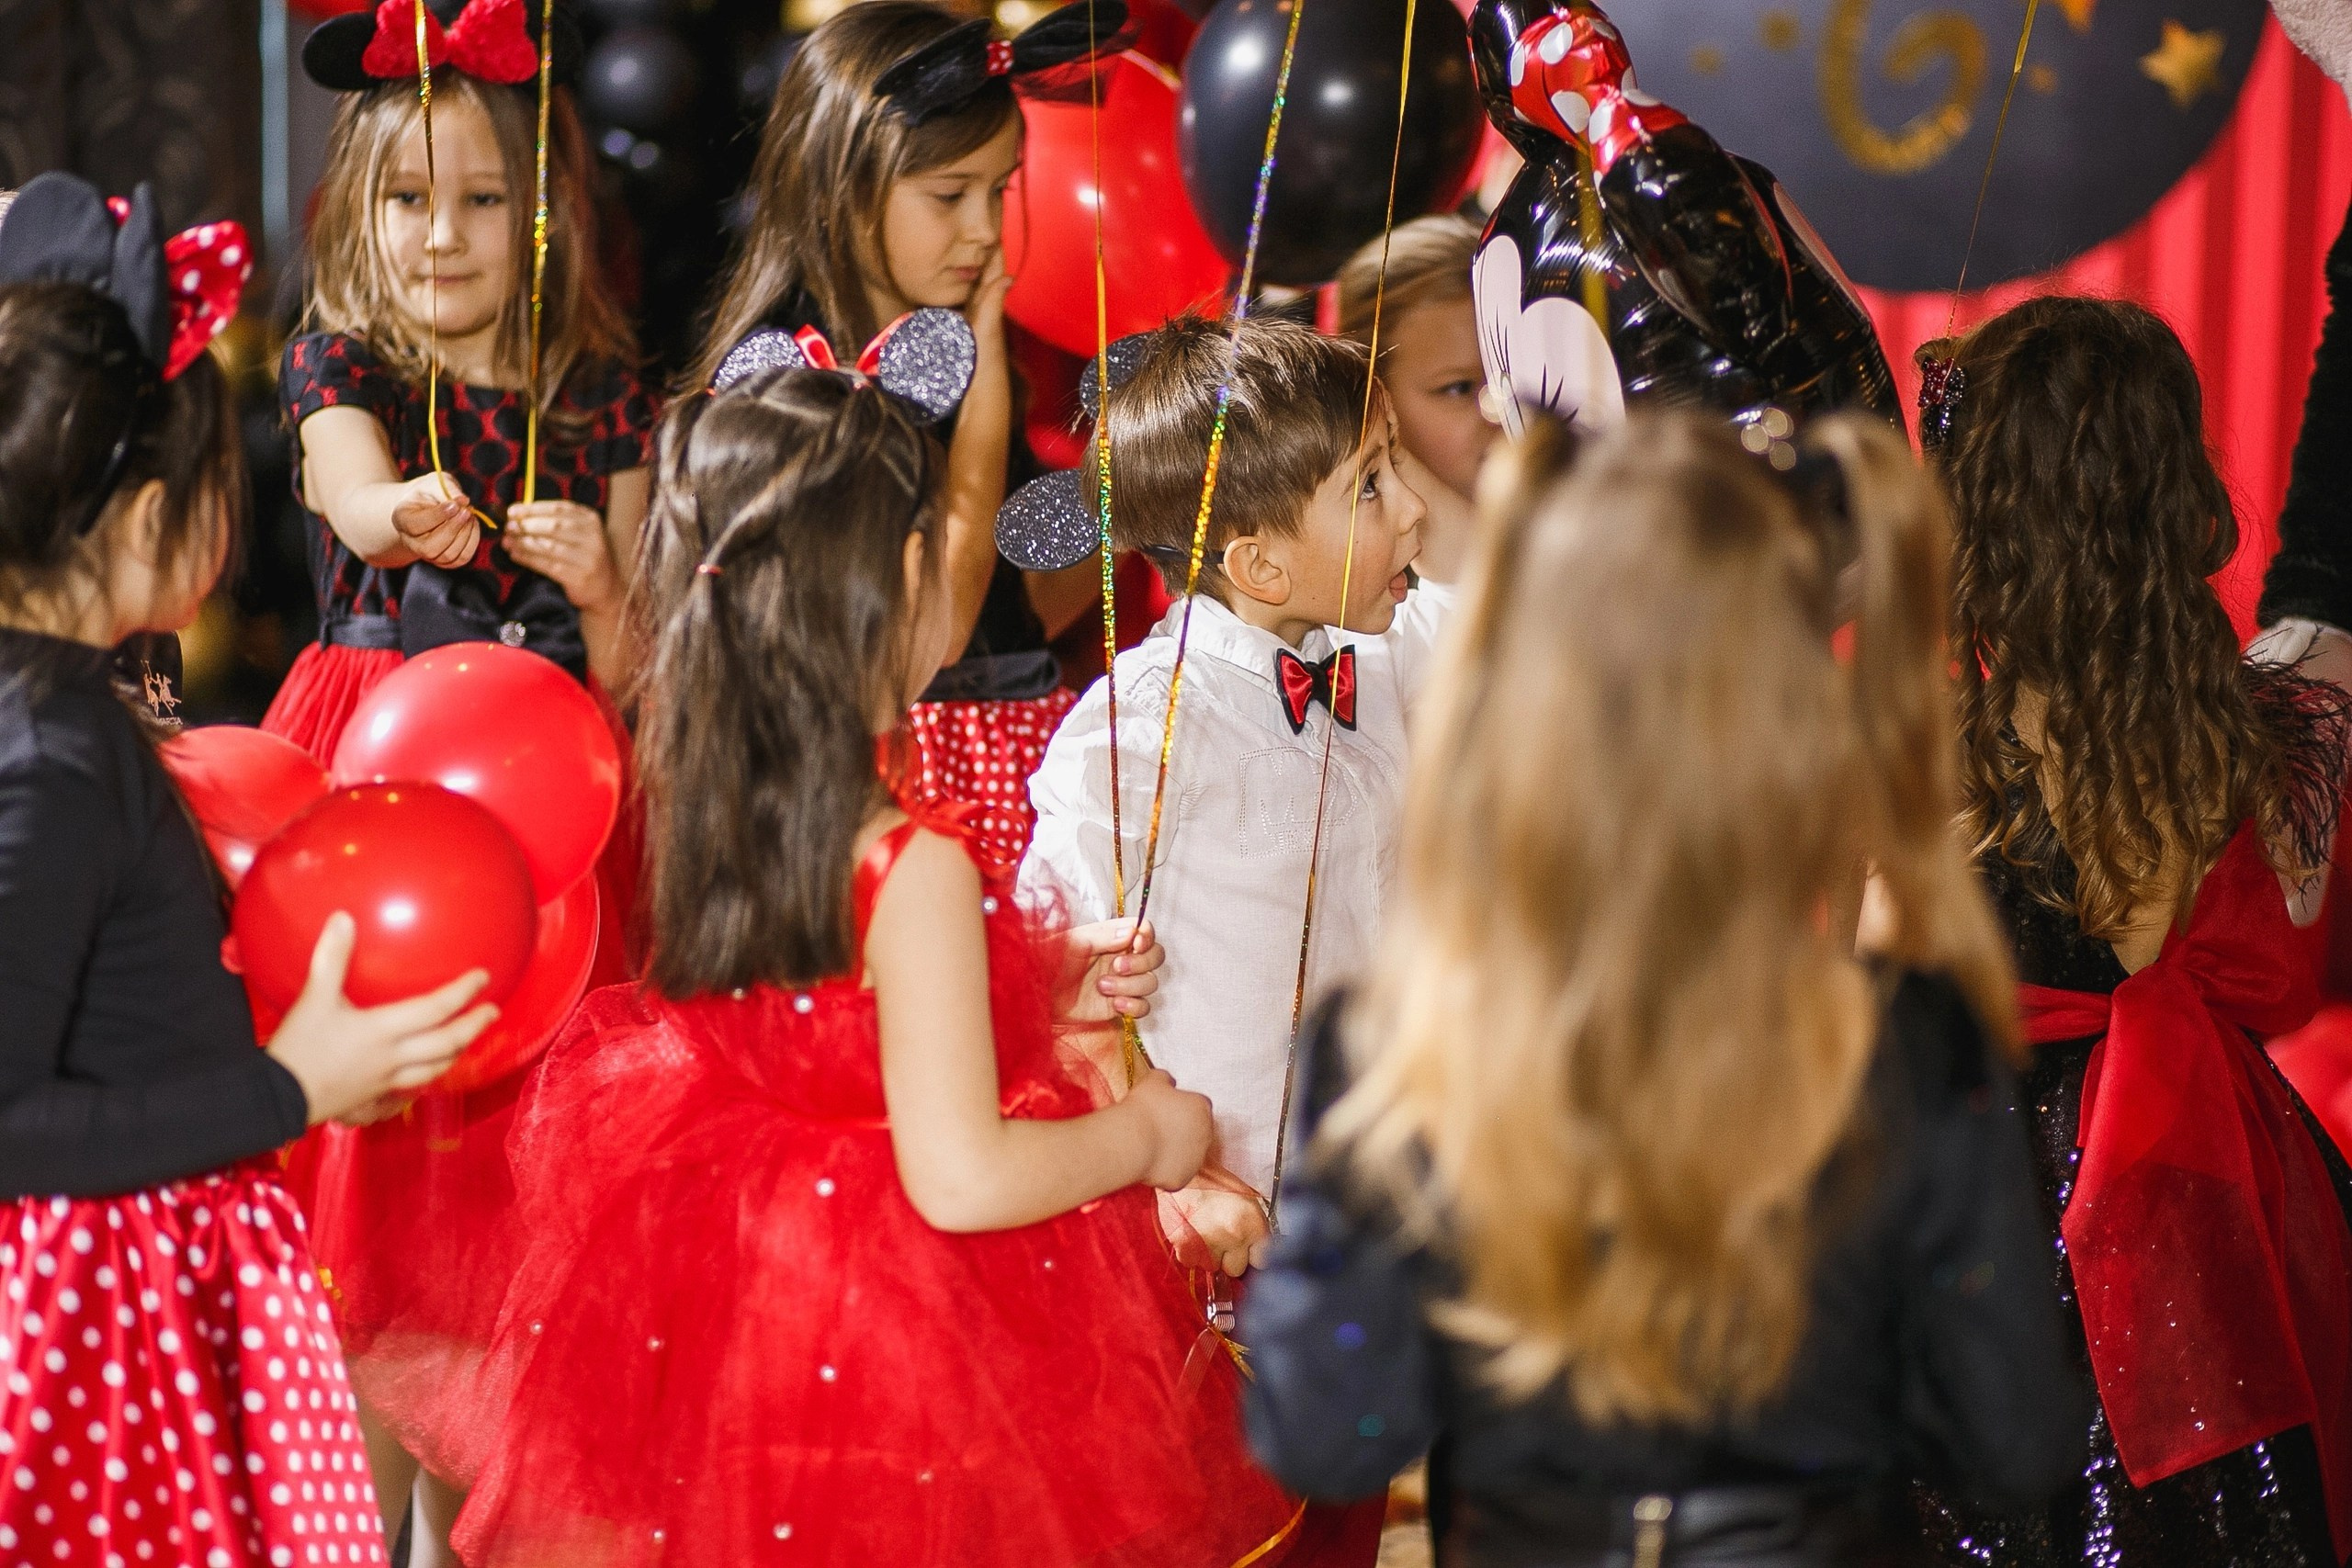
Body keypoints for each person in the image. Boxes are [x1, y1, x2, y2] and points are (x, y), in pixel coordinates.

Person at [438, 364, 1309, 1567]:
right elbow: (963, 1176)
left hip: (751, 1292)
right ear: (898, 579)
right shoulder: (914, 860)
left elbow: (823, 1018)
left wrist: (1029, 973)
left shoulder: (716, 806)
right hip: (902, 1328)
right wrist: (1152, 1135)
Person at [1239, 409, 2090, 1567]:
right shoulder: (1909, 1046)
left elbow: (1330, 1435)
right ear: (1792, 720)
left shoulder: (1394, 1047)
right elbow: (2014, 1444)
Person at [0, 173, 497, 1567]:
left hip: (161, 1276)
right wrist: (298, 1085)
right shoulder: (54, 752)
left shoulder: (72, 715)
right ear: (151, 510)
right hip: (110, 1324)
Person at [260, 6, 656, 1556]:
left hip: (556, 807)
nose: (444, 232)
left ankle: (475, 1514)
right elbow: (350, 494)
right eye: (408, 197)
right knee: (366, 1185)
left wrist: (611, 588)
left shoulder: (601, 394)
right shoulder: (335, 361)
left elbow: (634, 673)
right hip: (369, 779)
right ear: (359, 210)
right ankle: (351, 1510)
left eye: (484, 198)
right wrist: (402, 504)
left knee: (515, 1204)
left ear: (541, 212)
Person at [1912, 295, 2352, 1568]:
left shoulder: (1918, 752)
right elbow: (2329, 543)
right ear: (2176, 488)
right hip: (2216, 1224)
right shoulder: (2278, 739)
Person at [690, 0, 1124, 867]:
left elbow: (1016, 610)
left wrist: (1125, 497)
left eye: (999, 191)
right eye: (948, 195)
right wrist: (989, 370)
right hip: (892, 775)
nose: (984, 232)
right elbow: (938, 634)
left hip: (1013, 741)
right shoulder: (787, 375)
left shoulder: (952, 334)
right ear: (842, 186)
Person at [1334, 215, 1495, 588]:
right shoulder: (1348, 609)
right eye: (1458, 388)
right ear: (1375, 402)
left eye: (1514, 374)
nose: (1500, 407)